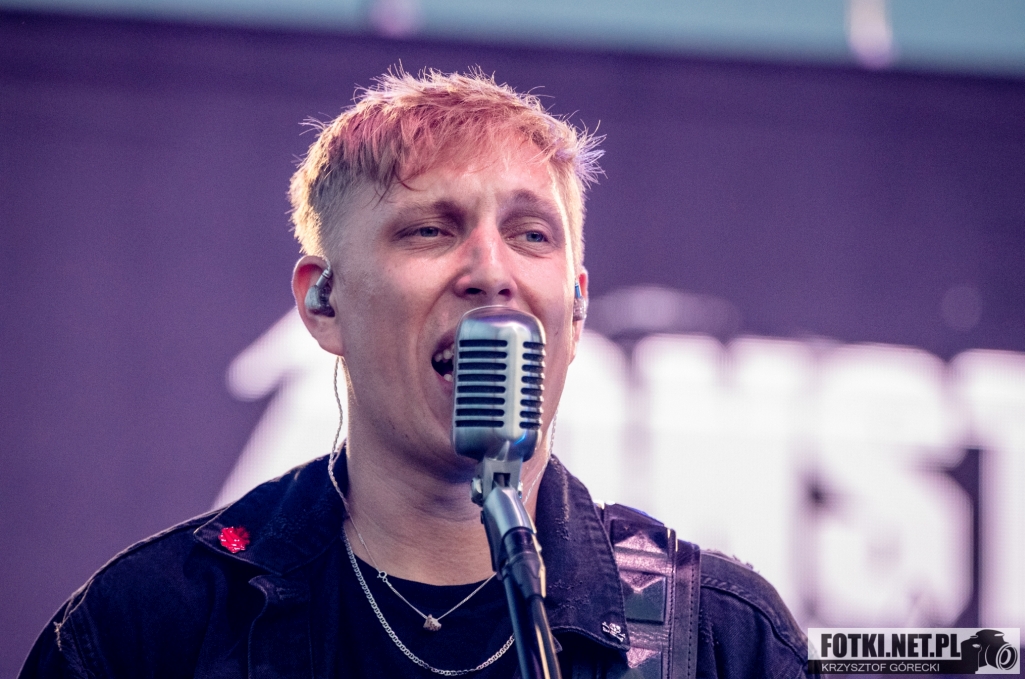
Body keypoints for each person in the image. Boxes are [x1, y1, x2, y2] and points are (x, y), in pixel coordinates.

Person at [21, 69, 811, 678]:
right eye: (431, 229)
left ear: (575, 310)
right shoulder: (152, 627)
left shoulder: (717, 635)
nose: (491, 271)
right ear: (323, 302)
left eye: (531, 234)